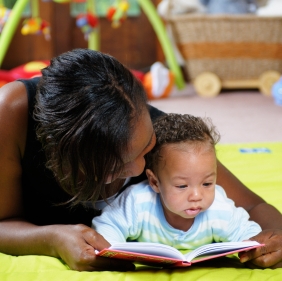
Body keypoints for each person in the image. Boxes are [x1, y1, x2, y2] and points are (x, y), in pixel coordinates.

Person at [0, 48, 281, 271]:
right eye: (115, 166)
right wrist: (51, 239)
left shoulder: (159, 134)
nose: (138, 168)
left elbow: (253, 204)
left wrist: (277, 238)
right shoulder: (11, 113)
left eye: (146, 147)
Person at [92, 113, 262, 250]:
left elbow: (248, 231)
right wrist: (114, 252)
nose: (197, 195)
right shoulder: (138, 202)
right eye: (182, 186)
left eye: (207, 183)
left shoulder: (219, 207)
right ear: (154, 182)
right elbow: (107, 226)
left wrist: (253, 248)